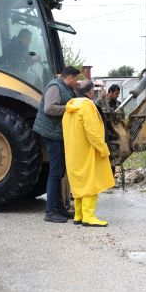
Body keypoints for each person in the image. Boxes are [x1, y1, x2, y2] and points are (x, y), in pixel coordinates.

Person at [62, 80, 114, 227]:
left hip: (73, 152)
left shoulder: (69, 107)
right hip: (88, 151)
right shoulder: (87, 106)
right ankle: (89, 216)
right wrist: (103, 149)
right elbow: (93, 132)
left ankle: (78, 215)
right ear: (90, 91)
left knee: (79, 183)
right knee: (91, 183)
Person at [33, 67, 79, 223]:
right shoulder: (55, 86)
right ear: (70, 77)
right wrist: (68, 109)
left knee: (59, 171)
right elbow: (49, 108)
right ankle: (50, 212)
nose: (77, 82)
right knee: (55, 171)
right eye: (76, 79)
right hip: (51, 134)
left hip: (57, 134)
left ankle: (59, 208)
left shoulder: (64, 87)